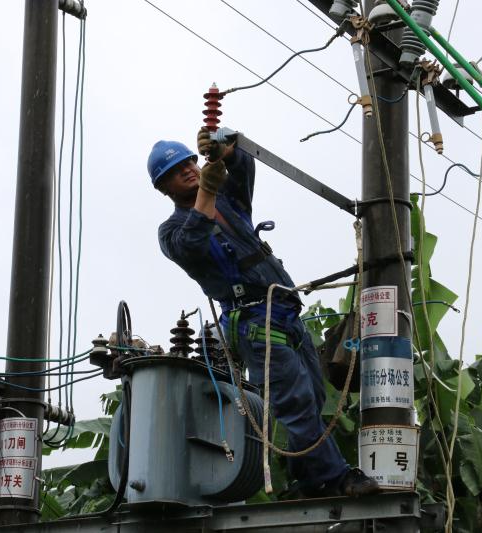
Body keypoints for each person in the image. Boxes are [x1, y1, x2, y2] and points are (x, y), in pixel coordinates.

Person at [146, 128, 379, 497]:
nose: (189, 169)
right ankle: (336, 480)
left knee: (314, 399)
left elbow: (243, 169)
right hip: (254, 321)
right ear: (165, 188)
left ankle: (309, 482)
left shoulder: (228, 201)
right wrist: (206, 190)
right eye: (177, 170)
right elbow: (193, 243)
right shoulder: (171, 231)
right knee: (295, 404)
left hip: (286, 312)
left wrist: (226, 149)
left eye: (190, 161)